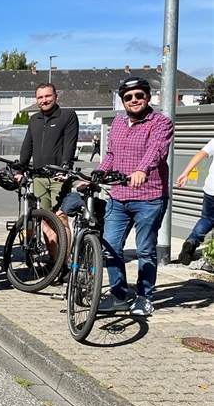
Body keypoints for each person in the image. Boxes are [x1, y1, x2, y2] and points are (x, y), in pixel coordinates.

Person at [94, 77, 174, 316]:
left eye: (139, 95)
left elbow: (157, 150)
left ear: (148, 97)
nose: (134, 100)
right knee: (110, 246)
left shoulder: (161, 122)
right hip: (118, 197)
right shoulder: (118, 123)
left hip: (149, 197)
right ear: (123, 101)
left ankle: (144, 297)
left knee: (145, 250)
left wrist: (142, 170)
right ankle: (118, 294)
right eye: (128, 97)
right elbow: (110, 155)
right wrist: (96, 176)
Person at [17, 83, 80, 271]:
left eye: (47, 96)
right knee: (45, 220)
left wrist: (65, 167)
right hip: (39, 177)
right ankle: (56, 262)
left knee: (61, 219)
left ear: (56, 96)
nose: (44, 100)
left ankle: (66, 262)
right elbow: (27, 145)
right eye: (40, 97)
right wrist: (20, 169)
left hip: (58, 177)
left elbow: (70, 144)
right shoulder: (34, 119)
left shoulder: (67, 116)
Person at [175, 136, 214, 265]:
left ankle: (191, 241)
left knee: (207, 219)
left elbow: (201, 153)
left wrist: (185, 173)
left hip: (211, 189)